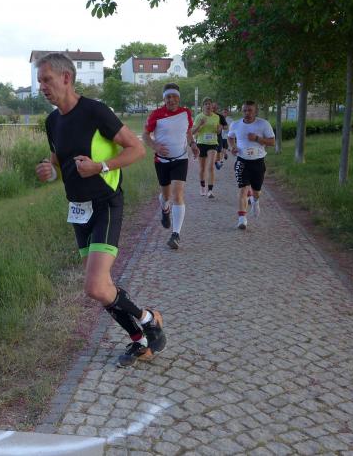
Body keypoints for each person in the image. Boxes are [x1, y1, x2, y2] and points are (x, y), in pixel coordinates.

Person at [34, 52, 167, 368]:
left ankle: (149, 318)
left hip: (106, 203)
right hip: (78, 209)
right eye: (39, 81)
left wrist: (101, 166)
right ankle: (140, 340)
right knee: (102, 287)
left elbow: (137, 149)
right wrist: (48, 170)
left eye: (47, 80)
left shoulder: (95, 111)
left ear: (66, 78)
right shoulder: (52, 122)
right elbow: (57, 159)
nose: (42, 87)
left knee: (94, 285)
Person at [143, 83, 198, 249]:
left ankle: (176, 234)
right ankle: (165, 208)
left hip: (180, 159)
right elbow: (145, 135)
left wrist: (193, 144)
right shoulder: (156, 114)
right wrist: (155, 146)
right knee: (166, 196)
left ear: (178, 98)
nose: (171, 100)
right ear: (164, 98)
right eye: (168, 97)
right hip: (162, 161)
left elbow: (188, 131)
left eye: (174, 96)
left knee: (177, 193)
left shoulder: (186, 113)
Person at [227, 100, 276, 229]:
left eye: (250, 110)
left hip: (258, 162)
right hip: (242, 161)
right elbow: (230, 137)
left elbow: (272, 142)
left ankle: (255, 200)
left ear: (256, 111)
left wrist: (257, 139)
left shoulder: (263, 124)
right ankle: (242, 219)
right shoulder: (235, 124)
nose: (247, 113)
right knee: (243, 189)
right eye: (244, 110)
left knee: (256, 191)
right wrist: (233, 147)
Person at [191, 98, 228, 198]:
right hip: (201, 143)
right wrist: (200, 125)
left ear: (212, 106)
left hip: (213, 143)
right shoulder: (199, 117)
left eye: (209, 104)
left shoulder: (216, 117)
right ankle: (202, 187)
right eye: (206, 104)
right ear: (203, 106)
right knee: (202, 168)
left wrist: (219, 129)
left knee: (211, 166)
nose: (208, 106)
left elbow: (218, 131)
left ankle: (210, 190)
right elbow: (192, 132)